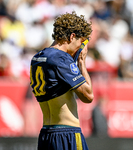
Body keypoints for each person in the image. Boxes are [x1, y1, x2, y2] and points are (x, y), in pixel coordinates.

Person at [29, 11, 94, 150]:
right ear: (72, 37)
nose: (80, 48)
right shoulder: (60, 58)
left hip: (46, 135)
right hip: (66, 135)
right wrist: (82, 62)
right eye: (81, 43)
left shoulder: (37, 58)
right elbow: (88, 96)